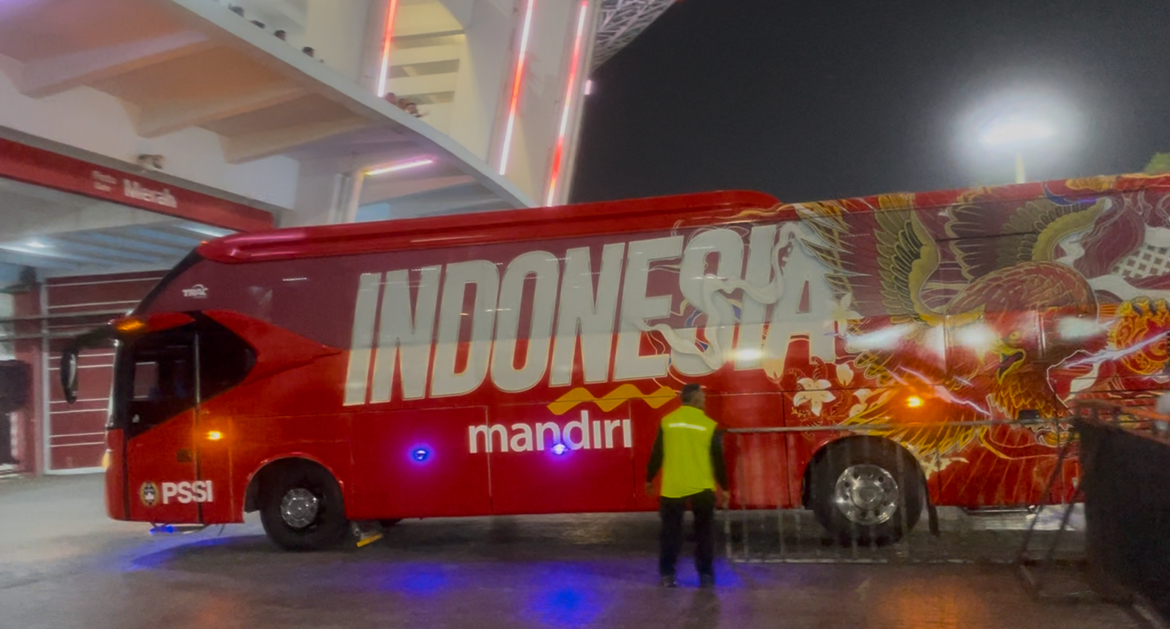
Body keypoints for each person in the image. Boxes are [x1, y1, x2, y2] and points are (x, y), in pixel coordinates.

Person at [645, 383, 729, 588]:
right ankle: (706, 576)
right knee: (704, 533)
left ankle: (667, 574)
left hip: (673, 487)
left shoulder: (667, 422)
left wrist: (649, 479)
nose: (705, 399)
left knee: (670, 532)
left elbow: (657, 453)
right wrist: (724, 487)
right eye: (703, 396)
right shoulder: (709, 425)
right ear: (694, 399)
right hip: (701, 487)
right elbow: (718, 460)